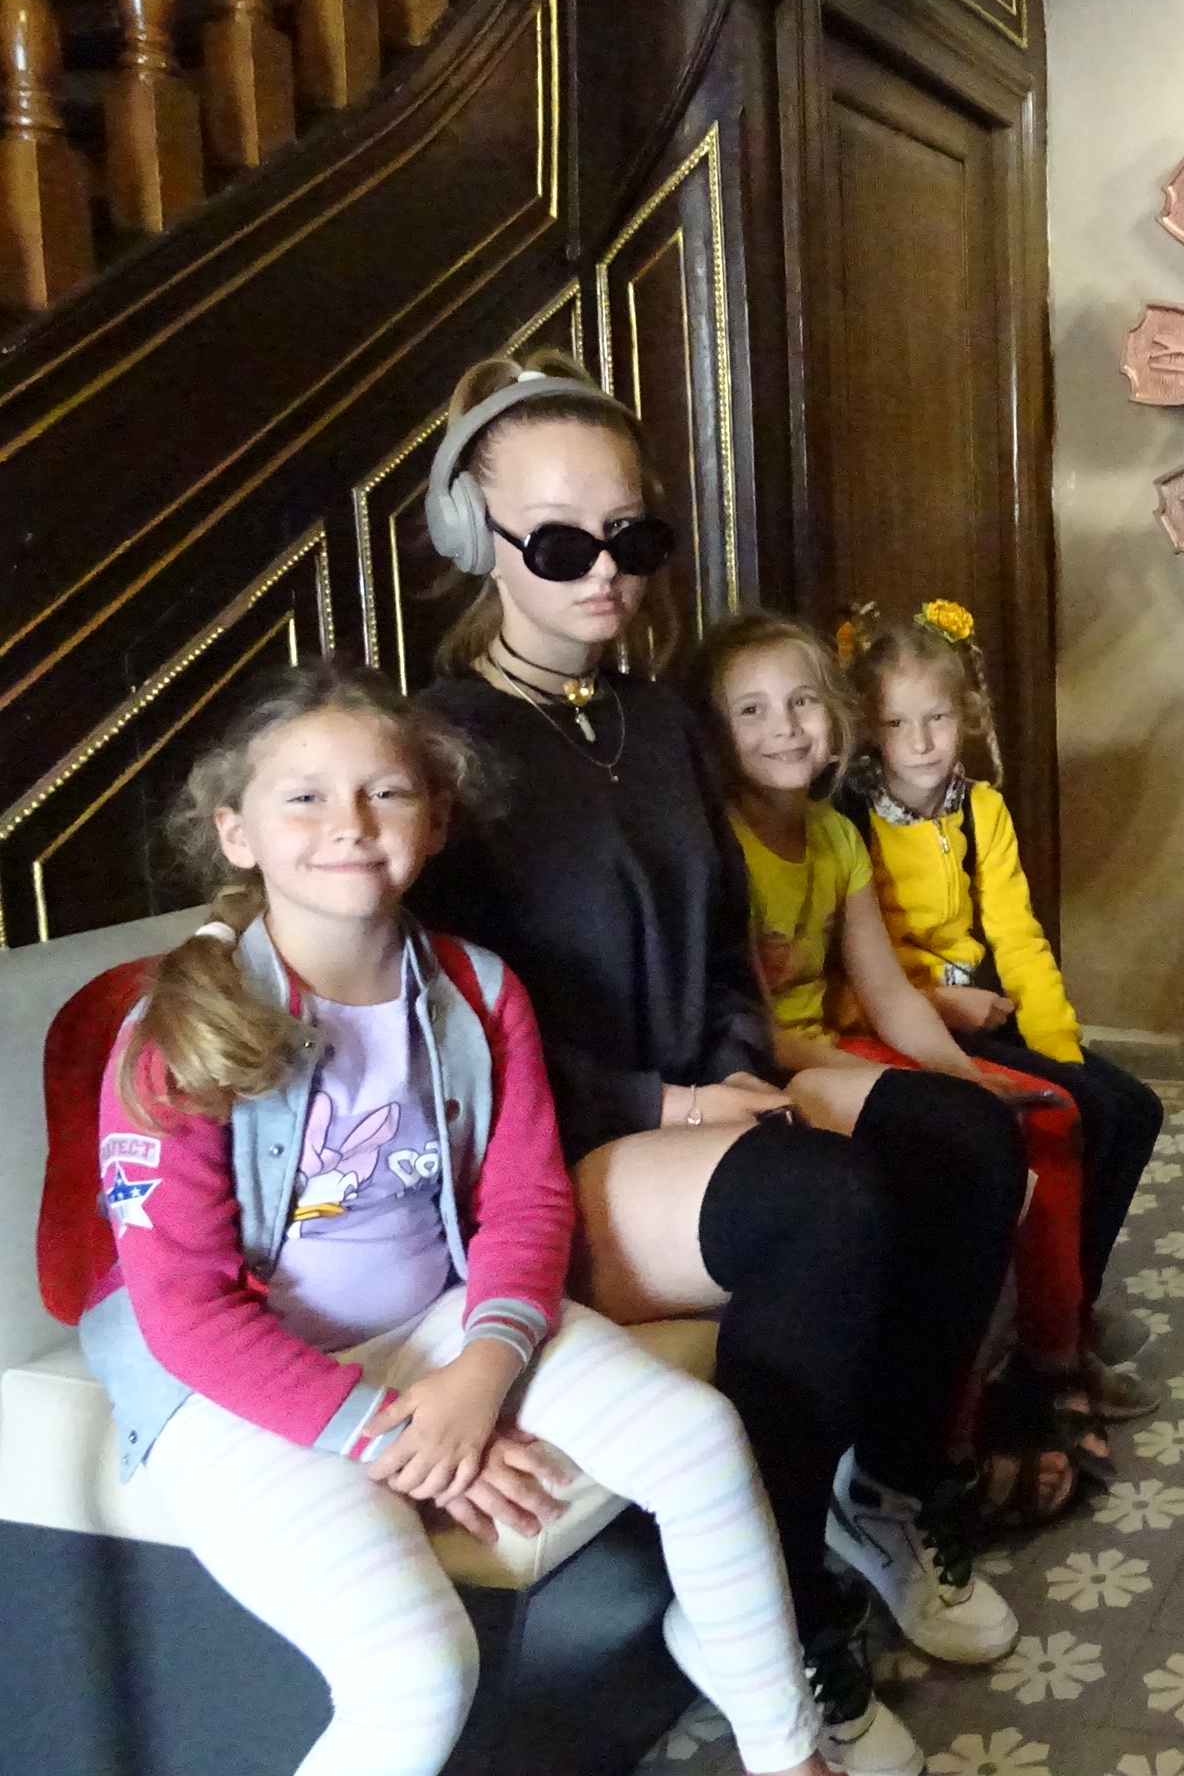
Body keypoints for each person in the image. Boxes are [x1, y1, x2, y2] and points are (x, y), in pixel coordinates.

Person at [77, 663, 878, 1776]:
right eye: (304, 797)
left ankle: (789, 1754)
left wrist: (482, 1374)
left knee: (699, 1440)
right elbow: (184, 1313)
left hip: (433, 1318)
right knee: (415, 1676)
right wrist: (394, 1435)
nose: (350, 824)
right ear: (236, 833)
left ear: (437, 819)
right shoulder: (181, 1029)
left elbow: (526, 1201)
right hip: (233, 1384)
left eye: (387, 792)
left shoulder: (480, 990)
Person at [402, 353, 1022, 1721]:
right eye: (559, 543)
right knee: (824, 1202)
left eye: (632, 539)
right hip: (549, 1138)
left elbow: (727, 942)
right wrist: (669, 1102)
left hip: (695, 1097)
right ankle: (776, 1610)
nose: (604, 572)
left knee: (967, 1138)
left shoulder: (659, 722)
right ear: (475, 539)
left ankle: (885, 1493)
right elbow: (447, 1023)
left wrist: (736, 1064)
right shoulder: (441, 746)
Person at [693, 608, 1115, 1523]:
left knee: (1031, 1113)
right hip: (774, 1064)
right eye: (752, 710)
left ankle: (1037, 1369)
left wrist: (967, 1075)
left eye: (803, 702)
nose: (785, 727)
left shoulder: (834, 837)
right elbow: (759, 1031)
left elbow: (889, 995)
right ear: (716, 732)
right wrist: (937, 1090)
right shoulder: (722, 844)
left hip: (838, 1047)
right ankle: (937, 1451)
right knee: (963, 1150)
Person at [845, 601, 1164, 1414]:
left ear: (967, 715)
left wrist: (1058, 1042)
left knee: (1131, 1108)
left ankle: (1071, 1308)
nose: (921, 741)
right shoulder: (851, 822)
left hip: (985, 1004)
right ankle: (1052, 1347)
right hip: (908, 1019)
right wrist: (943, 1004)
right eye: (897, 723)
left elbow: (1017, 935)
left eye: (938, 718)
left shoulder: (979, 807)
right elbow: (855, 971)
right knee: (1069, 1112)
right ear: (870, 730)